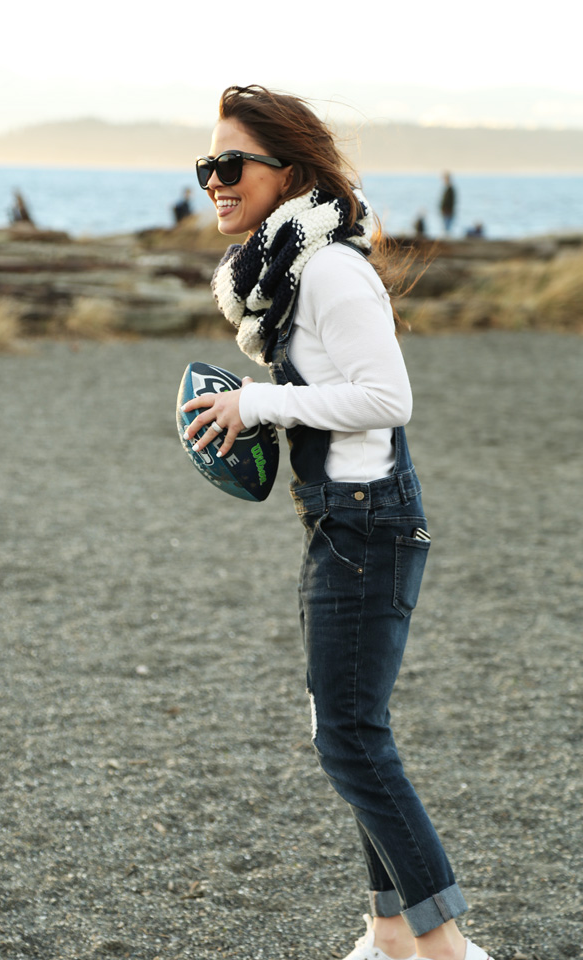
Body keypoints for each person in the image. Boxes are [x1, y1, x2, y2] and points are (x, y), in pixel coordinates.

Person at [181, 85, 495, 960]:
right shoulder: (286, 270)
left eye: (231, 164)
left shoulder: (328, 269)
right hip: (342, 520)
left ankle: (446, 948)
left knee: (349, 737)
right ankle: (390, 934)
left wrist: (259, 402)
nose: (215, 179)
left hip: (368, 523)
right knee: (349, 727)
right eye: (206, 165)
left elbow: (389, 397)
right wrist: (257, 407)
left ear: (289, 171)